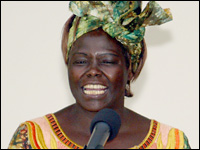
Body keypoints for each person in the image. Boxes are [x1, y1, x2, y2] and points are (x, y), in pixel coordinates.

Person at [8, 1, 191, 149]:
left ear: (131, 69)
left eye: (107, 61)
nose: (93, 71)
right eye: (80, 62)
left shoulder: (170, 143)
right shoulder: (32, 138)